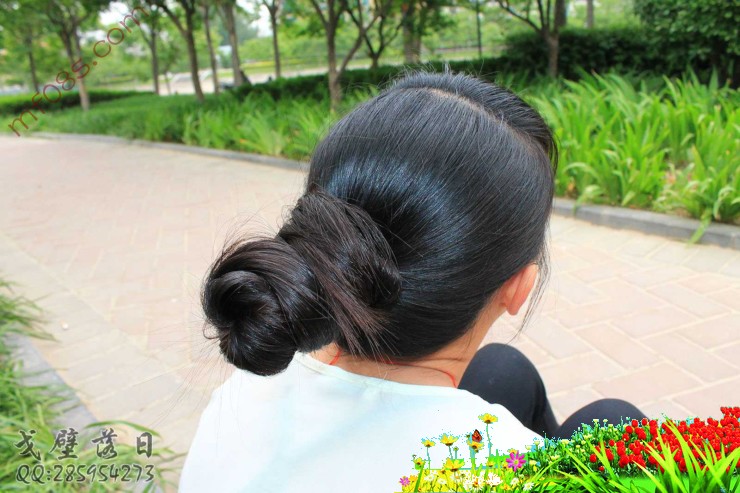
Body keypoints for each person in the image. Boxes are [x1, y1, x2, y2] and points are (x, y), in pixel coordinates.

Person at [179, 71, 643, 492]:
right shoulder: (507, 475)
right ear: (519, 287)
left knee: (504, 369)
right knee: (617, 424)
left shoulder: (243, 393)